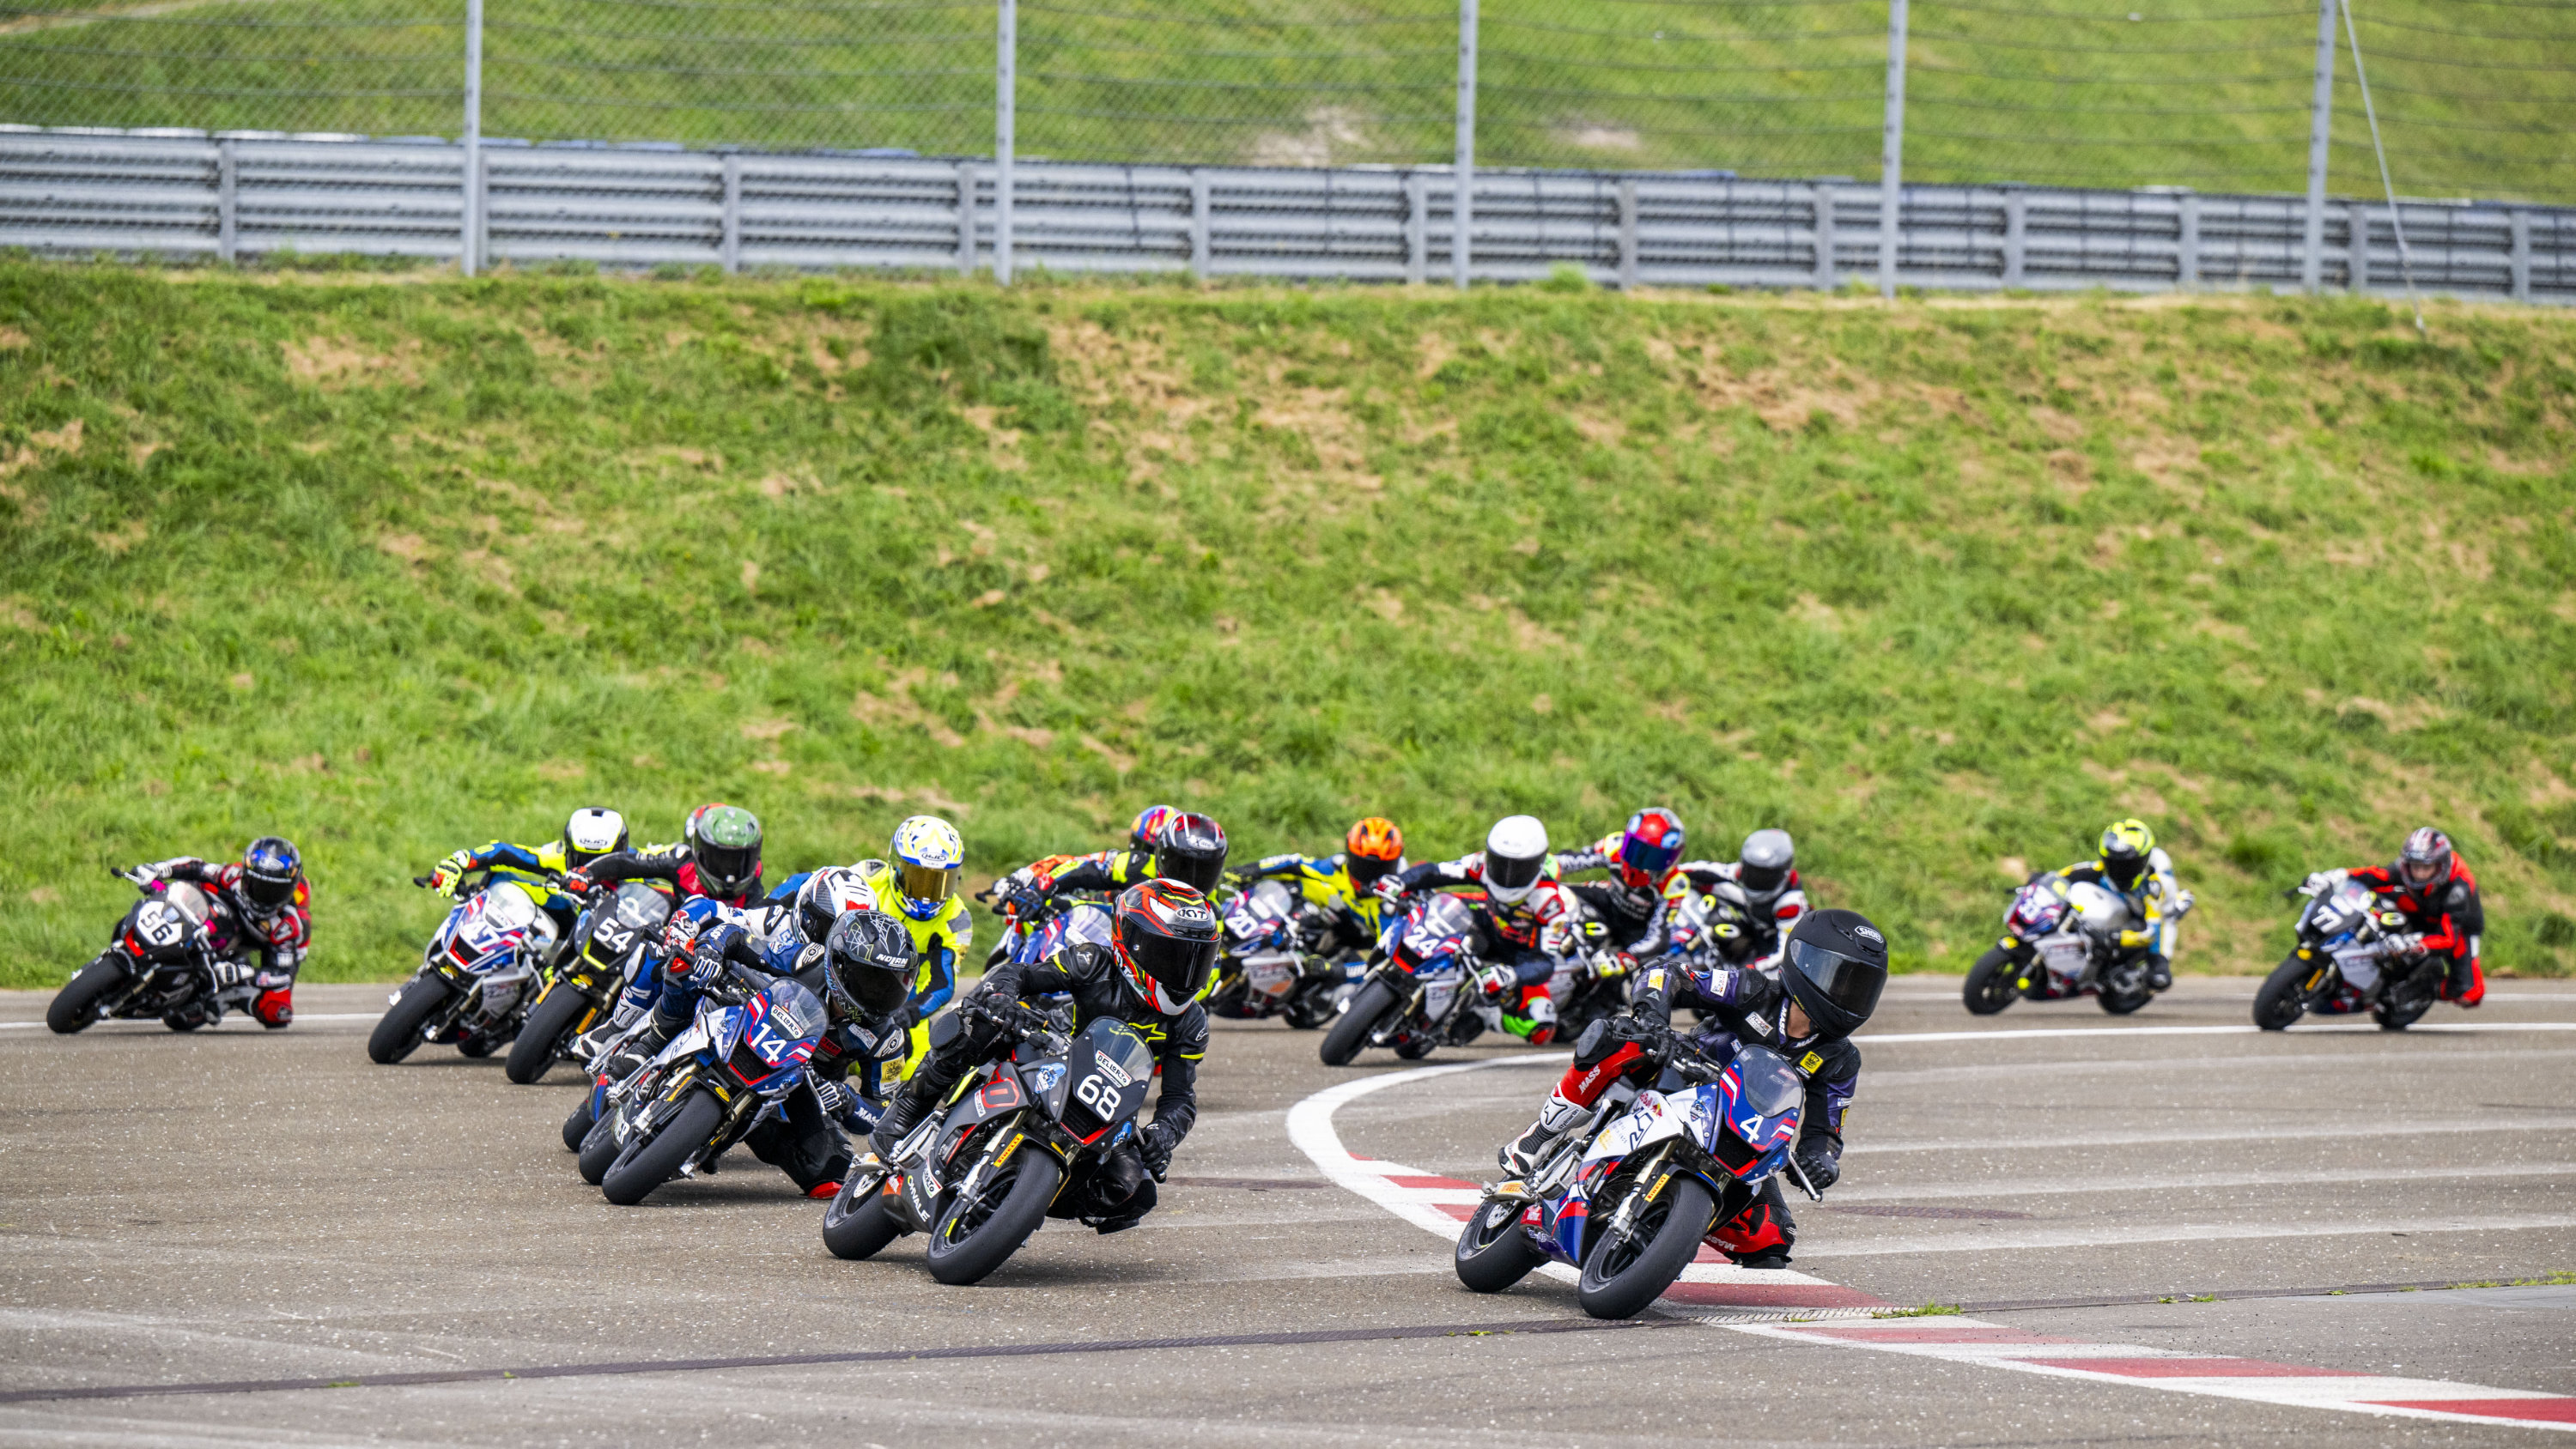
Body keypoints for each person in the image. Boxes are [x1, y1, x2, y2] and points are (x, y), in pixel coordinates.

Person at [1495, 908, 1889, 1269]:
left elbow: (1826, 1130)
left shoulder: (1839, 1059)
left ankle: (1662, 1232)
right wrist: (1652, 1015)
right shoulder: (1752, 990)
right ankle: (1541, 1134)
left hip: (1742, 1137)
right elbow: (1668, 974)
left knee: (1772, 1238)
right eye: (1840, 979)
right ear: (1804, 961)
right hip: (1678, 1081)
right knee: (1621, 1037)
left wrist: (1822, 1159)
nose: (1847, 996)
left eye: (1860, 987)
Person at [869, 879, 1217, 1234]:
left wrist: (1164, 1134)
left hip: (1106, 1101)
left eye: (1196, 960)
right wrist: (1006, 1000)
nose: (1185, 973)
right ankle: (908, 1109)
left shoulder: (1190, 1022)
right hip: (1051, 1048)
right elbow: (1018, 974)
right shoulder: (1093, 961)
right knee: (979, 1023)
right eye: (1174, 957)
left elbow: (1179, 1098)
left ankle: (1019, 1200)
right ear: (1134, 944)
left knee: (1135, 1190)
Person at [650, 907, 921, 1198]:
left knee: (831, 1167)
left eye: (891, 986)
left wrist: (848, 1101)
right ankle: (647, 1047)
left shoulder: (887, 1039)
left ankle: (720, 1134)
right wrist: (712, 952)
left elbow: (881, 1113)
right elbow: (738, 938)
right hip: (748, 1020)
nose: (881, 995)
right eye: (872, 980)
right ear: (841, 965)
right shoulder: (810, 959)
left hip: (797, 1083)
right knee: (686, 967)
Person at [1382, 815, 1577, 1044]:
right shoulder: (1480, 865)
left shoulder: (1550, 903)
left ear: (1538, 864)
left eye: (1519, 869)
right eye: (1500, 863)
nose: (1507, 874)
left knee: (1541, 1024)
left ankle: (1484, 1014)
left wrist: (1512, 975)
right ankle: (1406, 966)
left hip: (1518, 956)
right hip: (1486, 926)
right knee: (1434, 906)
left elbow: (1545, 962)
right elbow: (1437, 872)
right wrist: (1402, 881)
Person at [124, 836, 309, 1028]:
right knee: (195, 888)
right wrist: (159, 869)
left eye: (275, 892)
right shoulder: (233, 875)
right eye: (259, 887)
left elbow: (282, 974)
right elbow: (198, 867)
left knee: (276, 1013)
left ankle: (232, 996)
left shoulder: (287, 926)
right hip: (221, 913)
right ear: (246, 875)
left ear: (290, 890)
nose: (264, 897)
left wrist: (245, 973)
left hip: (256, 944)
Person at [2303, 827, 2485, 1008]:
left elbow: (2447, 938)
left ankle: (2425, 988)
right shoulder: (2404, 868)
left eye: (2426, 867)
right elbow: (2375, 875)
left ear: (2441, 866)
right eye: (2415, 866)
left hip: (2457, 928)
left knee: (2470, 993)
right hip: (2419, 907)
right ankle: (2361, 942)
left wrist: (2412, 944)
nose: (2419, 873)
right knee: (2375, 888)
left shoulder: (2458, 890)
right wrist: (2335, 876)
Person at [854, 815, 977, 1072]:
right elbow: (812, 885)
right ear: (897, 865)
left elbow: (943, 985)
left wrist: (908, 1013)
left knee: (914, 1080)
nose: (926, 893)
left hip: (903, 1007)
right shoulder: (867, 878)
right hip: (849, 991)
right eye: (918, 878)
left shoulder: (957, 919)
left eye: (938, 882)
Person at [428, 806, 631, 948]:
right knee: (500, 880)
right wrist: (459, 862)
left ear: (620, 853)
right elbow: (504, 852)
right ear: (569, 849)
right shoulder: (557, 856)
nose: (590, 867)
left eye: (603, 860)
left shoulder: (637, 872)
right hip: (558, 926)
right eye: (581, 858)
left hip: (601, 942)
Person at [1230, 815, 1408, 959]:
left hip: (1337, 952)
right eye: (1363, 866)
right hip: (1305, 920)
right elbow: (1294, 863)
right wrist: (1252, 869)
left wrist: (1334, 971)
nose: (1369, 875)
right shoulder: (1337, 867)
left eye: (1378, 869)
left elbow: (1385, 963)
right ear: (1350, 855)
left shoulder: (1388, 909)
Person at [2050, 818, 2190, 991]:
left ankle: (2159, 963)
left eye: (2127, 865)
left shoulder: (2154, 885)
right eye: (2113, 863)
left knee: (2160, 976)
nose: (2119, 870)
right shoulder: (2103, 869)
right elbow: (2082, 871)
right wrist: (2047, 880)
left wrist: (2116, 938)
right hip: (2124, 898)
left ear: (2143, 860)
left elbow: (2151, 932)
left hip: (2154, 914)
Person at [1552, 807, 1691, 960]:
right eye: (1635, 849)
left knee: (1616, 978)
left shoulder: (1675, 884)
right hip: (1608, 902)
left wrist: (1626, 958)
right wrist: (1540, 864)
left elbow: (1659, 939)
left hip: (1634, 932)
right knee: (1559, 892)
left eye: (1652, 857)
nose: (1637, 862)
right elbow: (1574, 860)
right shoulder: (1614, 845)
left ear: (1670, 860)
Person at [565, 803, 765, 907]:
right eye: (721, 859)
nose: (729, 870)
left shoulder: (754, 887)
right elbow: (627, 863)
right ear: (700, 850)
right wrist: (588, 873)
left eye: (739, 861)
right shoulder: (680, 861)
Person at [1667, 828, 1810, 973]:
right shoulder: (1745, 873)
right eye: (1752, 872)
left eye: (1765, 876)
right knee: (1707, 883)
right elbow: (1713, 870)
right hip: (1752, 919)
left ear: (1783, 872)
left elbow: (1783, 953)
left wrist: (1744, 972)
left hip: (1770, 948)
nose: (1757, 879)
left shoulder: (1791, 904)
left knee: (1769, 981)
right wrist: (1672, 872)